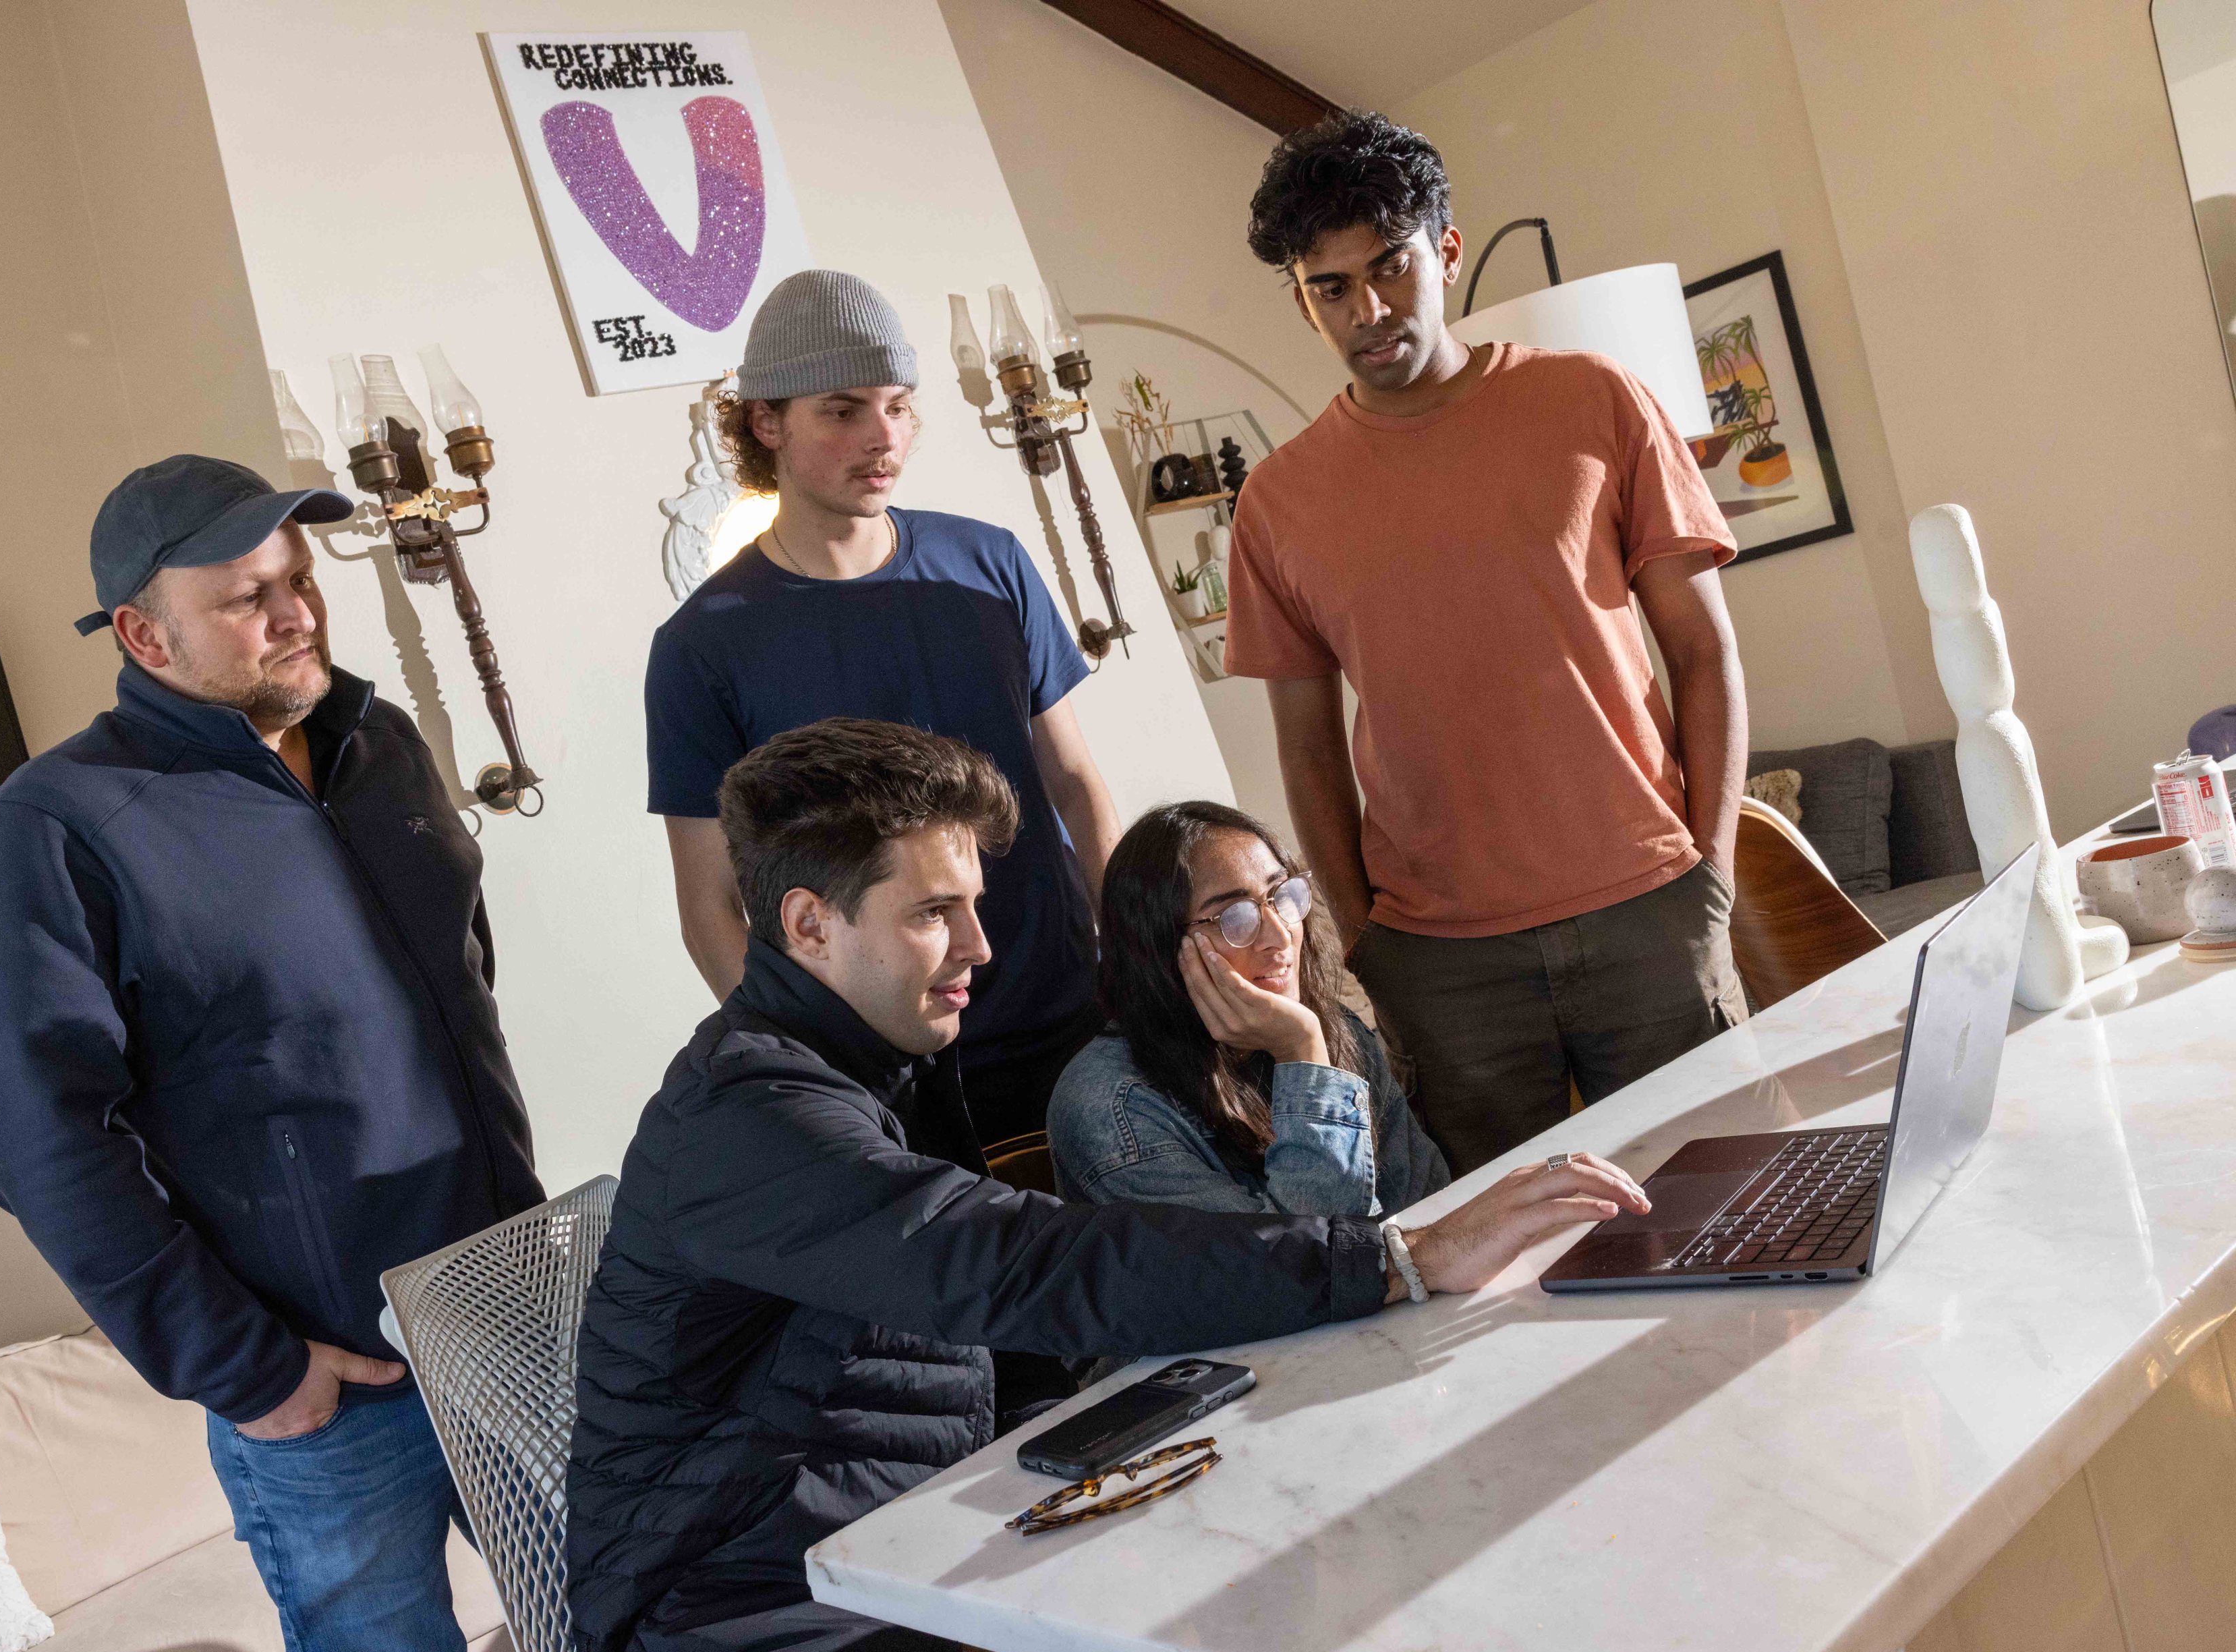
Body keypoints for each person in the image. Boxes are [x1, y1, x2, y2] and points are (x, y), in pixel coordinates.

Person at [567, 717, 1650, 1652]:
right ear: (809, 924)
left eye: (974, 905)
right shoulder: (750, 1117)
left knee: (1340, 1602)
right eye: (934, 912)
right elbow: (1018, 1266)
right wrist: (1395, 1256)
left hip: (915, 1550)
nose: (979, 947)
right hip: (745, 1620)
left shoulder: (872, 1060)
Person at [0, 455, 546, 1652]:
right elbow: (42, 1144)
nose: (297, 614)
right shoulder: (58, 824)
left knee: (621, 1636)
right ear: (142, 633)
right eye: (247, 597)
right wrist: (248, 1367)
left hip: (512, 1314)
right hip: (331, 1383)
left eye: (299, 579)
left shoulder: (376, 740)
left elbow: (460, 990)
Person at [1226, 110, 1751, 1176]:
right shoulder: (1276, 503)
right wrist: (1371, 947)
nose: (1369, 310)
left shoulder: (1593, 401)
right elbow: (1308, 748)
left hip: (1649, 907)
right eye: (1331, 286)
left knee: (1737, 1208)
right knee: (1510, 1281)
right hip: (1441, 963)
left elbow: (1703, 653)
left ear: (1447, 252)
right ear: (1301, 299)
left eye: (1392, 267)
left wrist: (1714, 871)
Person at [648, 268, 1123, 1154]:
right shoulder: (703, 643)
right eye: (843, 410)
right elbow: (710, 900)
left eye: (899, 407)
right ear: (767, 421)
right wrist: (812, 1063)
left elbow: (1072, 778)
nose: (884, 437)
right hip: (887, 1075)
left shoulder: (989, 565)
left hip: (1071, 1014)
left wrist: (1138, 951)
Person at [1049, 801, 1450, 1216]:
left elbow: (1432, 1203)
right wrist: (1302, 1055)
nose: (1279, 936)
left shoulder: (1335, 1029)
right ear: (1159, 947)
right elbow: (1306, 1265)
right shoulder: (1113, 1109)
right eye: (1234, 917)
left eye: (1282, 896)